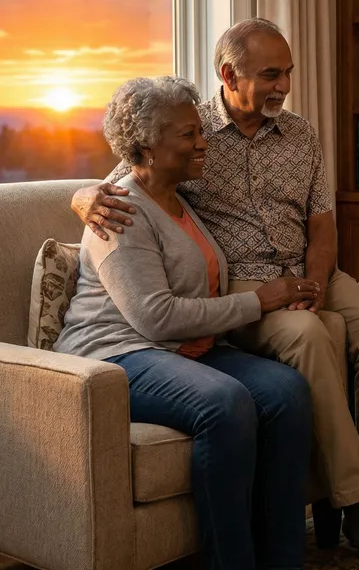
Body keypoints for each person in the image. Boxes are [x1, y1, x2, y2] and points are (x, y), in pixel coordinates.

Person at [70, 20, 359, 570]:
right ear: (229, 74)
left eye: (288, 73)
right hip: (239, 279)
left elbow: (322, 224)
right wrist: (82, 197)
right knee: (311, 336)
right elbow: (122, 181)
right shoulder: (187, 127)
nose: (284, 86)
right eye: (270, 75)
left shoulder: (300, 135)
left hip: (306, 270)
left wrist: (315, 284)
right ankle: (356, 506)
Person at [55, 76, 314, 570]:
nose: (203, 144)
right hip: (117, 353)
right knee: (225, 401)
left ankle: (283, 559)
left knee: (286, 391)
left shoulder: (180, 197)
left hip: (185, 348)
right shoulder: (120, 213)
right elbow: (156, 317)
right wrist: (261, 301)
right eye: (189, 135)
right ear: (148, 148)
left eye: (201, 131)